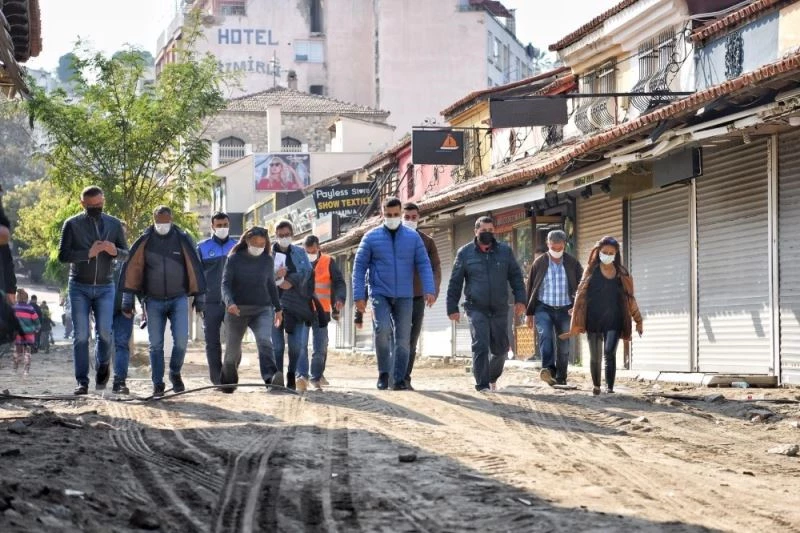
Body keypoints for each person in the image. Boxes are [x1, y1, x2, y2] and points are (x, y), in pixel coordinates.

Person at [120, 206, 207, 397]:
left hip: (179, 299)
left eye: (165, 221)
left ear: (171, 219)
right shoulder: (145, 241)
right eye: (158, 221)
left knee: (182, 341)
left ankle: (175, 372)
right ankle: (157, 383)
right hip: (153, 301)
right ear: (153, 220)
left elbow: (195, 267)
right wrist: (127, 300)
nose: (162, 225)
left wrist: (200, 297)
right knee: (155, 345)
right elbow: (132, 270)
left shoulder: (182, 239)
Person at [353, 197, 435, 391]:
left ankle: (398, 379)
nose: (392, 218)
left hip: (405, 295)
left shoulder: (413, 237)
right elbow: (359, 267)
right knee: (382, 330)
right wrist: (358, 295)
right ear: (382, 214)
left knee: (403, 339)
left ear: (400, 213)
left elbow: (424, 263)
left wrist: (429, 289)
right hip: (379, 293)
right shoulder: (370, 237)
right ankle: (384, 373)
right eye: (388, 215)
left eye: (396, 214)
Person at [58, 186, 129, 395]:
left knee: (105, 333)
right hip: (78, 286)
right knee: (81, 336)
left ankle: (103, 365)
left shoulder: (114, 224)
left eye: (99, 204)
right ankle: (82, 382)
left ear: (103, 200)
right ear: (83, 204)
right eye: (91, 205)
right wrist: (88, 253)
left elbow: (126, 254)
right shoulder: (71, 224)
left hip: (106, 286)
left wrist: (114, 251)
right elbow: (63, 255)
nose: (96, 208)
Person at [447, 216, 526, 392]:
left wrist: (521, 299)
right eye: (484, 231)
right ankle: (482, 384)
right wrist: (452, 307)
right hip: (475, 307)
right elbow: (455, 282)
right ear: (476, 231)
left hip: (500, 308)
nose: (487, 234)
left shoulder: (505, 251)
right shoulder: (465, 253)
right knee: (481, 344)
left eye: (490, 230)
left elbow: (516, 277)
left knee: (501, 350)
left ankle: (491, 377)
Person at [560, 236, 643, 395]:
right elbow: (580, 293)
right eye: (605, 252)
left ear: (616, 254)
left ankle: (609, 388)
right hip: (593, 320)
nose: (607, 255)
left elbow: (630, 299)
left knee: (610, 352)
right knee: (595, 356)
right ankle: (597, 385)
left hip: (614, 319)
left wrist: (638, 320)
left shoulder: (622, 273)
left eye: (611, 253)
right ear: (599, 252)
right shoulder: (591, 271)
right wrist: (576, 309)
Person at [220, 227, 283, 392]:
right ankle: (228, 381)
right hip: (236, 310)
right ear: (247, 241)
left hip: (262, 309)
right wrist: (230, 303)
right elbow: (225, 284)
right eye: (255, 243)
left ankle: (271, 377)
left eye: (262, 244)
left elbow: (271, 285)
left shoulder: (267, 260)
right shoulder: (234, 259)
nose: (258, 247)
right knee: (232, 352)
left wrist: (278, 308)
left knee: (264, 341)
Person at [525, 229, 583, 387]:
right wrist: (529, 314)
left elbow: (582, 286)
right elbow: (530, 288)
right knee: (546, 337)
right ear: (547, 244)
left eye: (560, 248)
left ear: (565, 244)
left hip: (566, 309)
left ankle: (561, 376)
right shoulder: (539, 263)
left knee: (564, 344)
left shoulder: (572, 263)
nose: (556, 251)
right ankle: (548, 371)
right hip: (543, 308)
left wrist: (577, 307)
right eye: (553, 247)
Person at [401, 202, 441, 390]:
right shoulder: (390, 239)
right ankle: (394, 375)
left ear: (419, 218)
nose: (410, 220)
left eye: (413, 217)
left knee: (412, 339)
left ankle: (405, 378)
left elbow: (435, 268)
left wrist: (432, 290)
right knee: (397, 338)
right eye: (406, 217)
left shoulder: (427, 242)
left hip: (417, 296)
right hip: (395, 296)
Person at [271, 220, 314, 391]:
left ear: (292, 235)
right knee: (278, 346)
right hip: (274, 304)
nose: (284, 238)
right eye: (281, 235)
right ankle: (278, 376)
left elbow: (308, 273)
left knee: (296, 345)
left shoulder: (299, 252)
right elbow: (260, 277)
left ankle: (291, 374)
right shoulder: (268, 255)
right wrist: (276, 276)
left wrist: (291, 280)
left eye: (287, 235)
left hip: (296, 305)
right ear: (276, 236)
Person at [196, 212, 237, 384]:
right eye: (219, 225)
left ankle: (229, 374)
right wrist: (199, 301)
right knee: (212, 342)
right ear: (212, 226)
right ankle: (217, 379)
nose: (222, 228)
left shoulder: (237, 247)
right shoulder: (202, 248)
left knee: (234, 341)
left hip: (233, 303)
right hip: (210, 302)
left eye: (225, 225)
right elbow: (197, 276)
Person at [304, 234, 346, 391]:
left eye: (313, 251)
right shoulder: (299, 261)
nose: (310, 254)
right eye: (307, 251)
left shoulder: (328, 261)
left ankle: (315, 377)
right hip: (302, 311)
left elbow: (339, 282)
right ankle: (303, 376)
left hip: (321, 311)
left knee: (320, 346)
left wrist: (339, 299)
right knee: (300, 346)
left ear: (319, 247)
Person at [13, 289, 40, 376]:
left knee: (17, 352)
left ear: (17, 298)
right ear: (26, 298)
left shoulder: (14, 308)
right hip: (29, 334)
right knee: (27, 353)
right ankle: (26, 371)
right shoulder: (30, 308)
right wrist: (37, 328)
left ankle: (15, 369)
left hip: (18, 334)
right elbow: (36, 320)